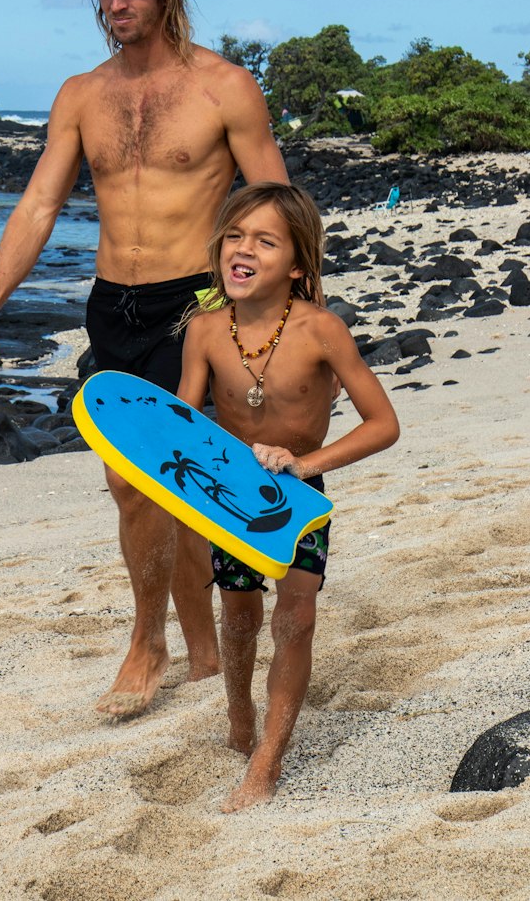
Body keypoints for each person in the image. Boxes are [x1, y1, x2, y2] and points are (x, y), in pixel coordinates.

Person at [0, 0, 287, 716]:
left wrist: (291, 316)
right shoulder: (82, 95)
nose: (114, 3)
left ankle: (148, 644)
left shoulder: (224, 88)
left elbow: (277, 205)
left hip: (198, 305)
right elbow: (39, 204)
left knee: (147, 487)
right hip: (114, 308)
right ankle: (202, 651)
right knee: (156, 490)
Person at [176, 181, 400, 810]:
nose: (242, 249)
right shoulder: (204, 330)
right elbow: (182, 420)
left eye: (264, 240)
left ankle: (267, 765)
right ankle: (240, 713)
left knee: (295, 620)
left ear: (297, 263)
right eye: (235, 236)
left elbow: (383, 424)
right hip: (228, 495)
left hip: (299, 497)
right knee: (240, 616)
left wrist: (305, 463)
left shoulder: (321, 330)